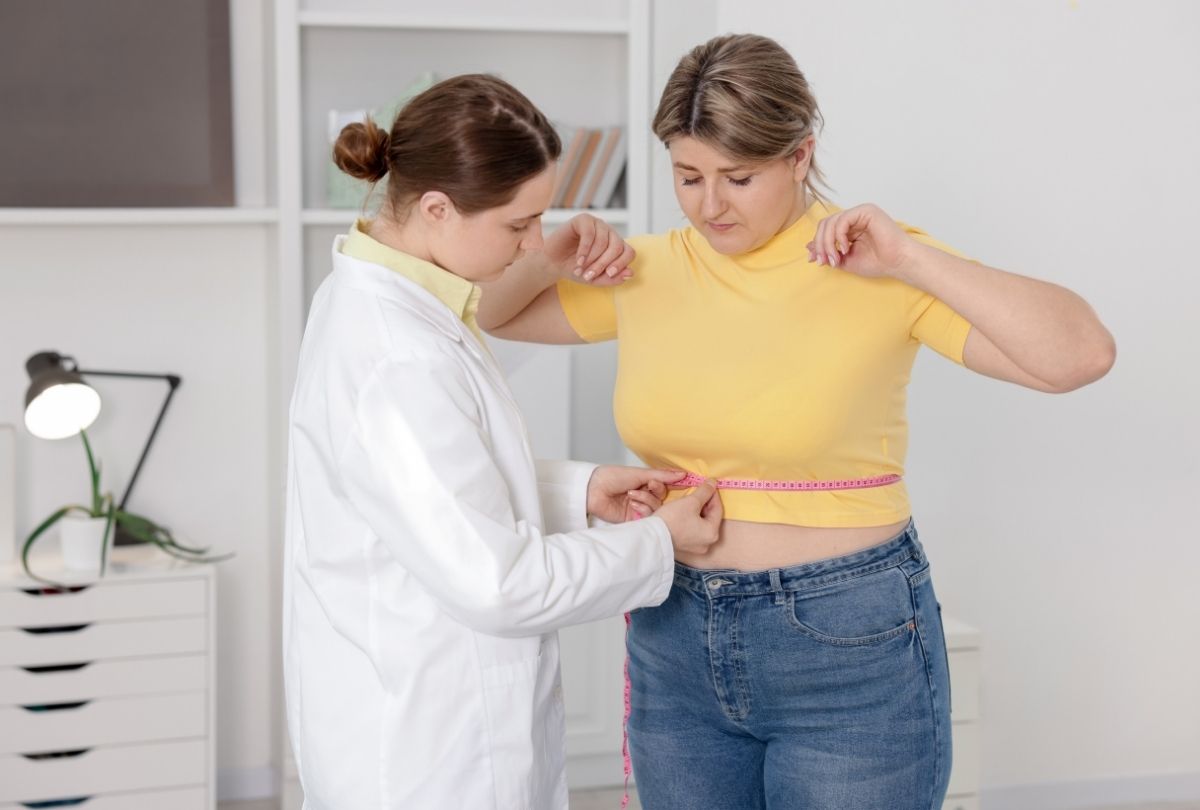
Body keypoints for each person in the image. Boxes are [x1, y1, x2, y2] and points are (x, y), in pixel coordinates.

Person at [478, 34, 1116, 810]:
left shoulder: (871, 263)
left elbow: (1079, 356)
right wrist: (552, 254)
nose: (709, 205)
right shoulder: (647, 270)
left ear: (799, 154)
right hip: (671, 627)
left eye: (738, 178)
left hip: (848, 648)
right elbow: (494, 313)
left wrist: (913, 261)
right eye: (688, 177)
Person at [281, 73, 724, 810]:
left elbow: (430, 489)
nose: (532, 243)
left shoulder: (398, 305)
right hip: (425, 755)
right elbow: (498, 582)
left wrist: (576, 492)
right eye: (518, 225)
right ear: (436, 208)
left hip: (429, 725)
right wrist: (659, 545)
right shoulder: (393, 353)